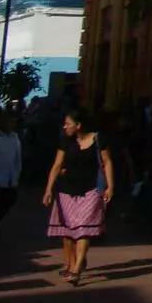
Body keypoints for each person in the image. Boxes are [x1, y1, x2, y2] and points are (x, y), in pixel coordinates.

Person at [43, 107, 113, 284]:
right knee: (67, 232)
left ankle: (76, 267)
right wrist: (48, 189)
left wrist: (110, 186)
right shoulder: (65, 141)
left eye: (68, 124)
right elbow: (57, 165)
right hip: (66, 190)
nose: (65, 127)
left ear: (79, 125)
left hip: (90, 190)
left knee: (83, 229)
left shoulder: (98, 139)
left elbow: (107, 162)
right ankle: (72, 264)